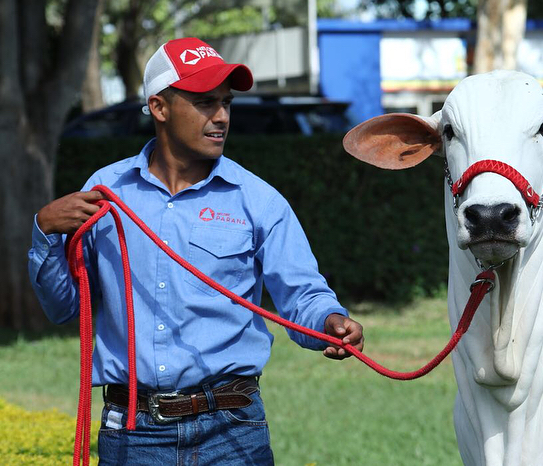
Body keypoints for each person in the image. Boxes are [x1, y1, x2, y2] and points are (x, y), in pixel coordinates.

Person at [28, 37, 364, 465]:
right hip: (132, 431)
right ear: (159, 107)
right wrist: (46, 232)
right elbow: (63, 308)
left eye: (226, 103)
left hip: (232, 428)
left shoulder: (259, 200)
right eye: (205, 102)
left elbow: (302, 295)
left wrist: (329, 321)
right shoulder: (104, 193)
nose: (221, 116)